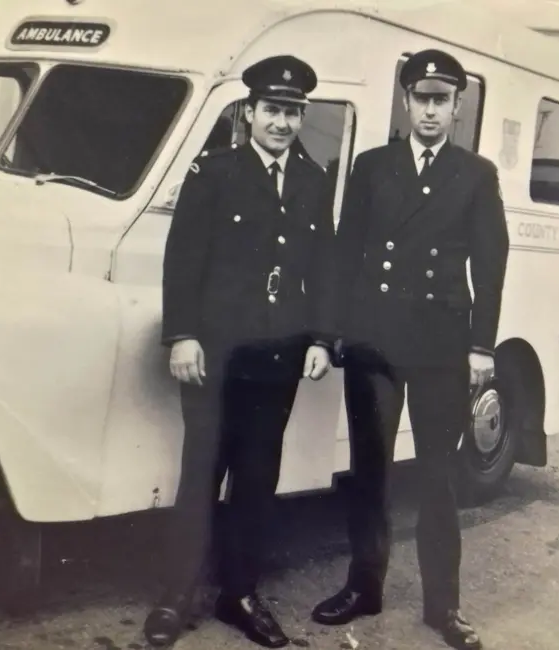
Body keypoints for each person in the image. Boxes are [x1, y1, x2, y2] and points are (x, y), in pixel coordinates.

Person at [311, 49, 509, 650]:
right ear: (405, 103)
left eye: (441, 100)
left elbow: (491, 265)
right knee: (369, 474)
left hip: (440, 349)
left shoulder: (476, 174)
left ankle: (441, 607)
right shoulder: (372, 166)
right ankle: (363, 586)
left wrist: (482, 344)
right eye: (421, 99)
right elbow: (346, 254)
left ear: (455, 106)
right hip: (375, 342)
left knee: (437, 477)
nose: (430, 110)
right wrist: (336, 330)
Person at [144, 54, 336, 649]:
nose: (281, 122)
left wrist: (322, 339)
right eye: (272, 110)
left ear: (301, 117)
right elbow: (182, 261)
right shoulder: (214, 171)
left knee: (257, 478)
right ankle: (175, 596)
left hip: (275, 355)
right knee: (201, 472)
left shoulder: (312, 179)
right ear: (249, 112)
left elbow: (323, 268)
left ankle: (239, 593)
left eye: (292, 112)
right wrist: (182, 334)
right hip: (215, 352)